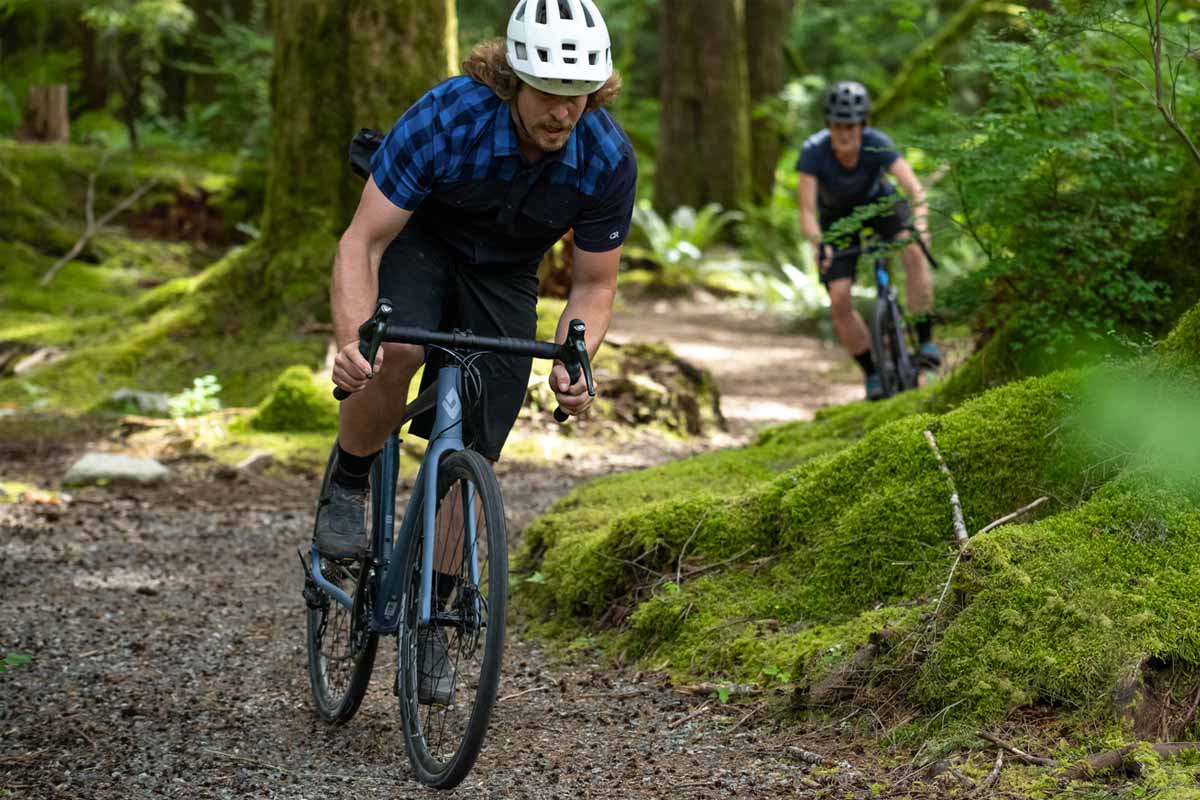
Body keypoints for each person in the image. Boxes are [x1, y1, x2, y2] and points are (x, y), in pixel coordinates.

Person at [314, 0, 635, 701]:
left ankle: (437, 615)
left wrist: (575, 362)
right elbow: (359, 242)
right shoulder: (446, 118)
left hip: (507, 267)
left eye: (577, 97)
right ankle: (347, 480)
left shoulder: (605, 157)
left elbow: (593, 283)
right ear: (512, 80)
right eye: (549, 95)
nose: (563, 114)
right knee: (395, 351)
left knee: (482, 429)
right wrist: (350, 341)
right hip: (419, 242)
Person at [797, 80, 939, 401]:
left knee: (913, 251)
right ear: (828, 125)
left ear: (863, 124)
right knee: (839, 297)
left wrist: (920, 222)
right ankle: (872, 372)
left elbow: (915, 190)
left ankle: (926, 341)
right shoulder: (812, 153)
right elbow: (807, 211)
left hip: (881, 205)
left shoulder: (878, 143)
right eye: (837, 125)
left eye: (851, 125)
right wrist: (819, 243)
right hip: (837, 220)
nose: (845, 133)